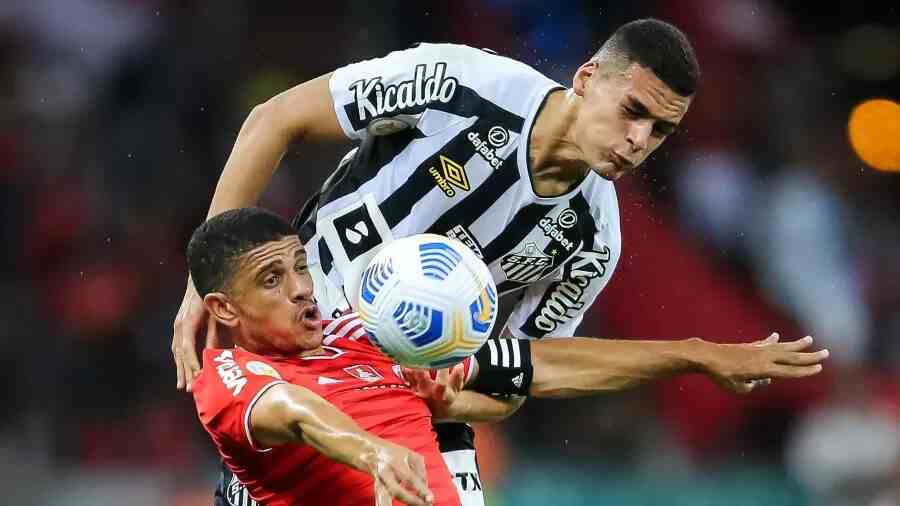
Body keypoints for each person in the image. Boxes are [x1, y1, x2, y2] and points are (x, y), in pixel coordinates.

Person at [169, 17, 778, 504]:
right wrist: (204, 284)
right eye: (633, 111)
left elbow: (519, 374)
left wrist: (455, 401)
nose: (638, 141)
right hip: (304, 347)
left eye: (661, 131)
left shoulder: (593, 239)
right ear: (589, 78)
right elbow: (275, 120)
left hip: (415, 394)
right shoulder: (460, 83)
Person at [188, 207, 828, 506]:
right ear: (223, 309)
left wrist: (696, 354)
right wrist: (374, 451)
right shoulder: (225, 376)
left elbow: (537, 364)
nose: (302, 288)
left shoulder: (370, 333)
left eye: (302, 266)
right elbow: (296, 413)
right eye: (272, 280)